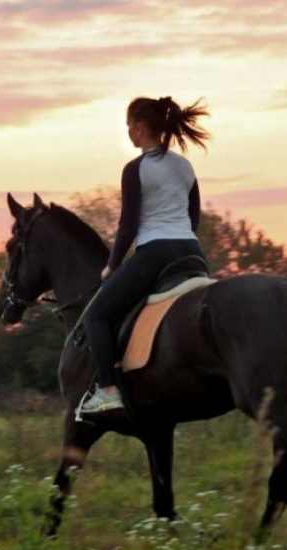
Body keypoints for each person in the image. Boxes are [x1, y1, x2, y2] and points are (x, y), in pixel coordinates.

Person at [79, 96, 211, 414]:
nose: (128, 133)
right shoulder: (185, 165)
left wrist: (111, 266)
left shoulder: (136, 169)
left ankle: (108, 389)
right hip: (192, 252)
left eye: (128, 126)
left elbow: (128, 225)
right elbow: (194, 215)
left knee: (96, 314)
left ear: (139, 127)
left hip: (156, 252)